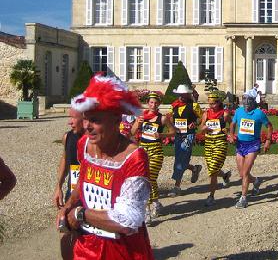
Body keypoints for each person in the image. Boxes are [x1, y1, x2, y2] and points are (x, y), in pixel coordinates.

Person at [58, 74, 153, 260]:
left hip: (123, 250)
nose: (87, 127)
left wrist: (80, 213)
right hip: (86, 246)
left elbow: (128, 220)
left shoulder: (134, 157)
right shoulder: (84, 144)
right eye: (85, 119)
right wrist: (68, 205)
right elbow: (83, 182)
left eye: (95, 120)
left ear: (117, 120)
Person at [132, 92, 175, 223]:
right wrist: (138, 124)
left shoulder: (162, 119)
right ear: (147, 103)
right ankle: (155, 202)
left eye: (156, 103)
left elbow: (173, 132)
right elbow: (132, 132)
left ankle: (147, 211)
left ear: (159, 104)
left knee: (150, 178)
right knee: (147, 179)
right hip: (143, 150)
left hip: (156, 150)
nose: (153, 105)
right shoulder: (142, 117)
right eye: (151, 102)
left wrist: (162, 135)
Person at [228, 94, 272, 208]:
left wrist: (268, 140)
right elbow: (232, 123)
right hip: (240, 144)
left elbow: (269, 126)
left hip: (253, 145)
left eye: (248, 103)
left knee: (246, 172)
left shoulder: (259, 113)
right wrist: (231, 135)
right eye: (244, 103)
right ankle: (256, 181)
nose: (246, 105)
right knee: (242, 174)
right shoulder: (238, 111)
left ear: (253, 102)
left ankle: (243, 198)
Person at [53, 109, 86, 259]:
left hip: (90, 195)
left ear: (85, 118)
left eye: (73, 117)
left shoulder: (97, 140)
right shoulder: (68, 137)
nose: (69, 121)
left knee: (87, 234)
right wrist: (58, 186)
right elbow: (65, 160)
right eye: (69, 117)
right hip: (71, 192)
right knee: (64, 228)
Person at [166, 85, 203, 197]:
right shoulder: (174, 105)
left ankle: (177, 186)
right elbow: (169, 118)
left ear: (187, 95)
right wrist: (172, 128)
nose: (181, 96)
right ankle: (194, 168)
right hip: (178, 135)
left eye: (183, 94)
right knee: (179, 159)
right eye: (180, 94)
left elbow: (202, 117)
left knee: (181, 160)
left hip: (188, 135)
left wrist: (195, 123)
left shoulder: (194, 105)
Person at [198, 90, 232, 206]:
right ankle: (225, 175)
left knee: (212, 170)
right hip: (209, 143)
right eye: (210, 103)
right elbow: (201, 127)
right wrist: (204, 128)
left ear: (218, 103)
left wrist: (229, 132)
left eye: (213, 103)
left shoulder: (225, 114)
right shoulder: (206, 114)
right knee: (213, 168)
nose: (211, 106)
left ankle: (211, 196)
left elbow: (232, 124)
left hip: (220, 143)